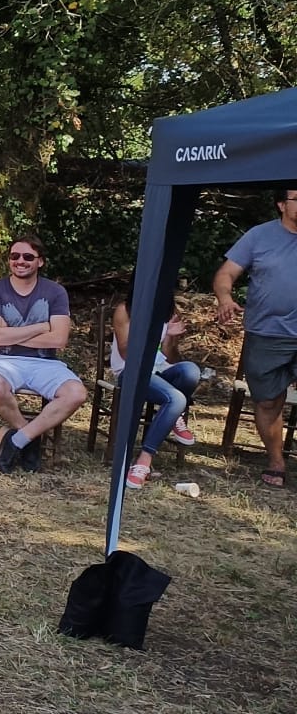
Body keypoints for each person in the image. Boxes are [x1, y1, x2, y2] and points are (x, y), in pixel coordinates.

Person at [0, 234, 87, 471]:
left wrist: (12, 333)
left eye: (28, 256)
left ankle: (17, 439)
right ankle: (31, 438)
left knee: (76, 393)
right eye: (14, 256)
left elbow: (59, 339)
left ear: (40, 262)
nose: (20, 261)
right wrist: (40, 327)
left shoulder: (55, 292)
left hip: (45, 363)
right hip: (2, 359)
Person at [212, 184, 297, 489]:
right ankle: (276, 461)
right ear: (280, 205)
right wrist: (224, 298)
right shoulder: (259, 236)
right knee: (268, 401)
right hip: (267, 334)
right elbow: (225, 274)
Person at [111, 285, 201, 491]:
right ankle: (144, 460)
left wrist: (169, 337)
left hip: (159, 371)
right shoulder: (125, 310)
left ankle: (173, 414)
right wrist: (153, 335)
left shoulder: (169, 312)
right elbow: (127, 354)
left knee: (191, 371)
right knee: (178, 399)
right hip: (130, 372)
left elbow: (171, 358)